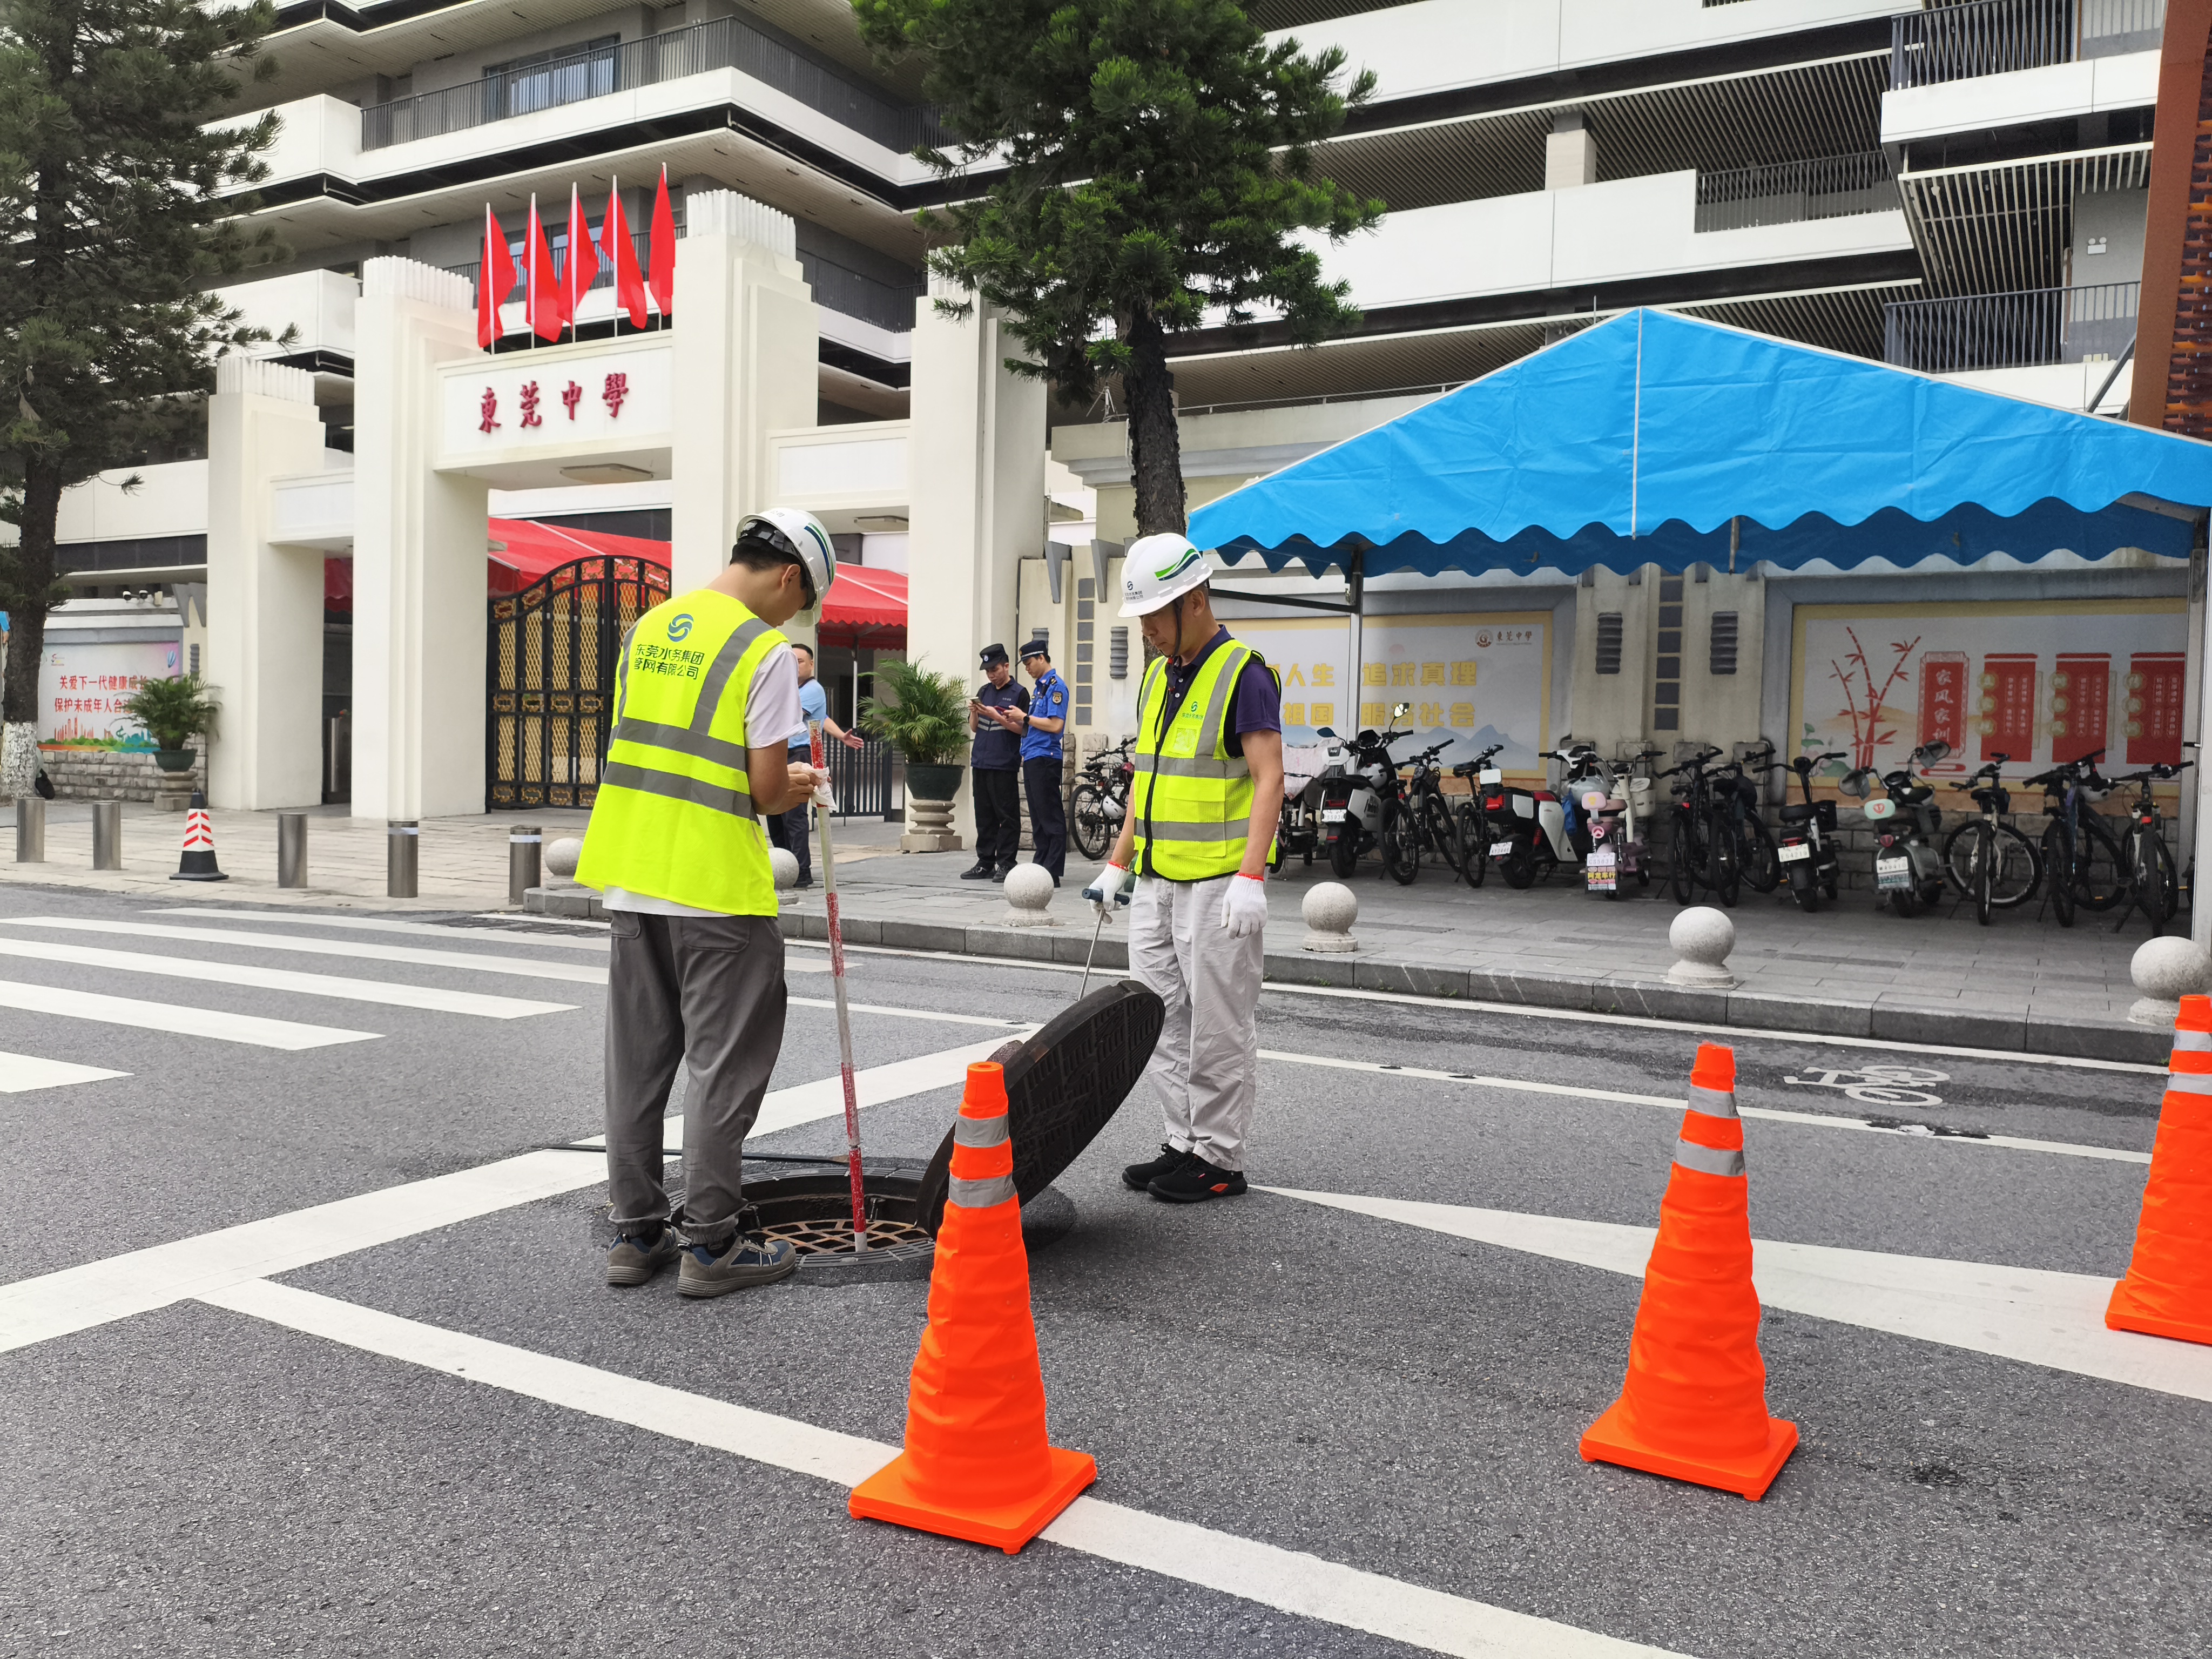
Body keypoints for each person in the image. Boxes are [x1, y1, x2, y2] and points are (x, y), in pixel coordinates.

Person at [574, 508, 838, 1296]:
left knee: (636, 1065)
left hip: (632, 873)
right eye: (801, 602)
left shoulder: (647, 629)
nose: (792, 619)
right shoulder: (762, 652)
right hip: (715, 886)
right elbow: (764, 788)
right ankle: (714, 1245)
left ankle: (635, 1232)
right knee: (723, 1070)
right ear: (788, 576)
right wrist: (799, 781)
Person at [1081, 534, 1283, 1204]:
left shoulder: (1244, 673)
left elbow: (1269, 778)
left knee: (1218, 1025)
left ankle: (1219, 1159)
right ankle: (1182, 1142)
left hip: (1220, 885)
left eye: (1153, 615)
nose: (1146, 629)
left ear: (1194, 601)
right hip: (1157, 880)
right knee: (1159, 1017)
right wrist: (1118, 863)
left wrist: (1251, 877)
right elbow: (1148, 780)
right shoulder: (1156, 676)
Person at [765, 640, 862, 891]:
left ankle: (801, 871)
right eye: (790, 661)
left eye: (799, 661)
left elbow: (791, 714)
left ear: (811, 664)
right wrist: (841, 735)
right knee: (775, 813)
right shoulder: (790, 688)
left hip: (799, 753)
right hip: (779, 753)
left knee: (794, 815)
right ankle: (783, 866)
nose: (794, 666)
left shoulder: (813, 689)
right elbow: (823, 717)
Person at [963, 642, 1029, 882]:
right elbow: (974, 728)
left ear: (1006, 666)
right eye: (988, 671)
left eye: (995, 669)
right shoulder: (984, 691)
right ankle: (985, 863)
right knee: (984, 815)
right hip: (981, 761)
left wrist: (996, 716)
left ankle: (1007, 863)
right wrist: (974, 711)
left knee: (1007, 815)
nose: (992, 675)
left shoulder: (1020, 693)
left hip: (1004, 762)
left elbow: (1023, 728)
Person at [1010, 637, 1069, 882]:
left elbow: (1055, 725)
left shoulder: (1056, 686)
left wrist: (1024, 717)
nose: (1027, 668)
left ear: (1042, 658)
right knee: (1037, 816)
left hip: (1046, 756)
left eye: (1029, 663)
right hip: (1033, 755)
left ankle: (1052, 870)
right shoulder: (1040, 688)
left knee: (1049, 815)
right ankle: (1041, 866)